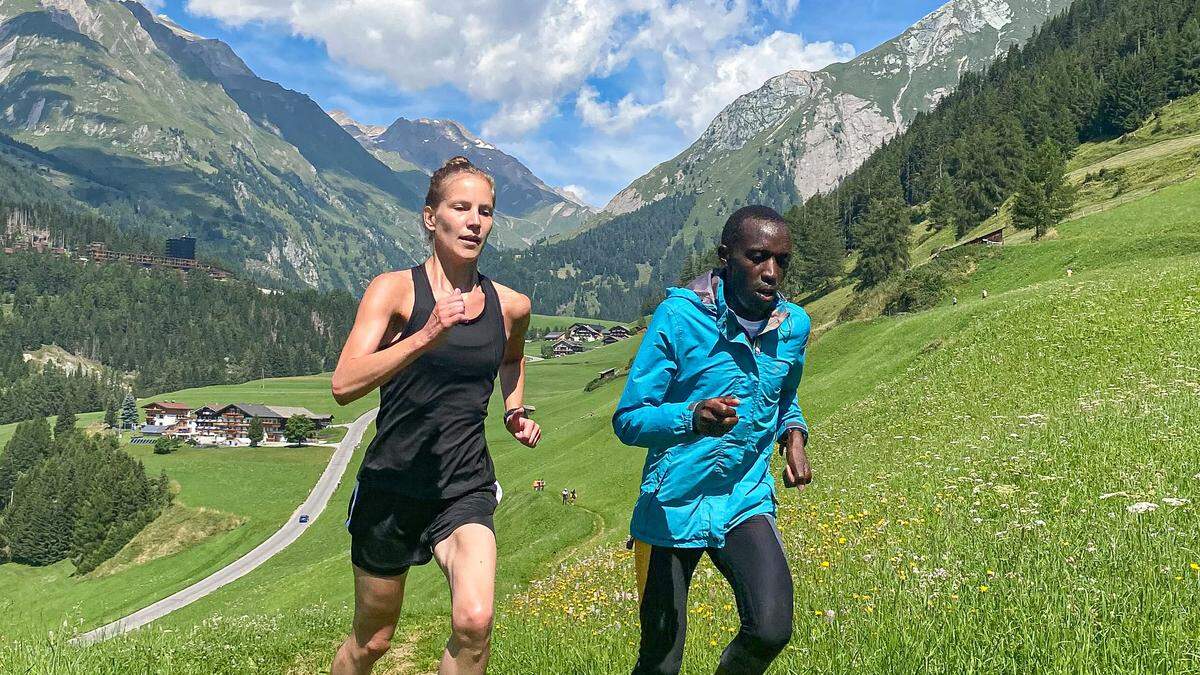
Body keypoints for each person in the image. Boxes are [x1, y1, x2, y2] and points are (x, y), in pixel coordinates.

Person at [329, 156, 542, 675]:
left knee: (474, 621)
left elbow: (512, 357)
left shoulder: (510, 305)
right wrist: (425, 336)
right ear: (431, 217)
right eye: (461, 207)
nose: (474, 221)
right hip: (392, 486)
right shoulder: (395, 291)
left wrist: (513, 409)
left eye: (486, 211)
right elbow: (344, 384)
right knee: (374, 639)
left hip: (464, 484)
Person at [613, 205, 813, 675]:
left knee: (770, 629)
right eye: (757, 257)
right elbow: (629, 419)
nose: (771, 272)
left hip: (744, 499)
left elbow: (785, 395)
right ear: (726, 257)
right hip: (671, 507)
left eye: (781, 260)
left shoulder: (792, 326)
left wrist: (795, 436)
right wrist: (691, 417)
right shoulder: (679, 318)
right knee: (661, 661)